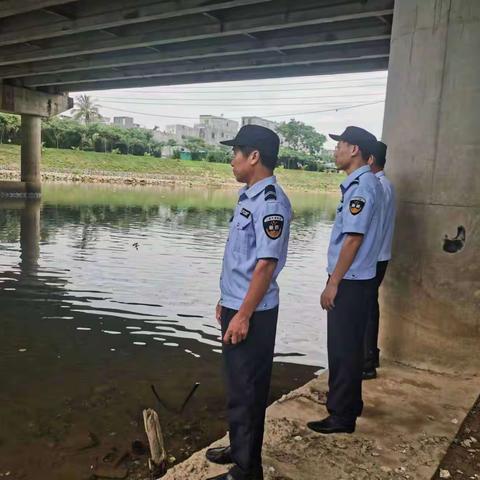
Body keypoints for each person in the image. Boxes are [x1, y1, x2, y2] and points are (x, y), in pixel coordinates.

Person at [206, 125, 292, 480]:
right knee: (237, 385)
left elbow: (265, 266)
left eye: (236, 152)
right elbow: (241, 260)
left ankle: (247, 469)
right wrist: (226, 301)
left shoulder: (271, 202)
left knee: (249, 390)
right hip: (237, 305)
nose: (232, 159)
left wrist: (241, 315)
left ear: (254, 156)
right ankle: (239, 445)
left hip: (252, 313)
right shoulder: (249, 196)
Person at [307, 126, 384, 435]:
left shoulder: (361, 187)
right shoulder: (364, 183)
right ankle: (350, 405)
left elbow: (352, 239)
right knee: (349, 347)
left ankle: (341, 415)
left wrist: (333, 283)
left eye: (339, 145)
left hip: (350, 280)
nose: (335, 150)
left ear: (354, 150)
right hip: (357, 278)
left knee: (342, 349)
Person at [363, 141, 396, 380]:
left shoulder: (377, 186)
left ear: (370, 159)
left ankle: (366, 362)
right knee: (370, 307)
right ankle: (370, 356)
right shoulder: (387, 185)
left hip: (374, 258)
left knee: (364, 310)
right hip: (380, 256)